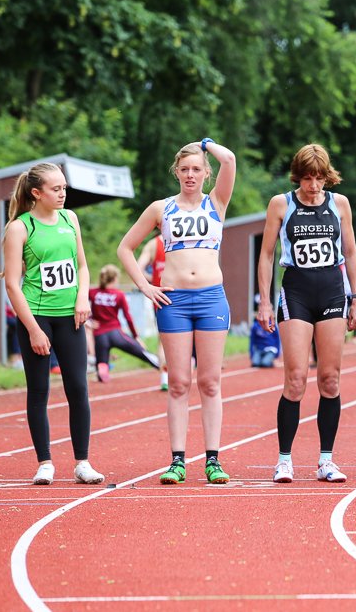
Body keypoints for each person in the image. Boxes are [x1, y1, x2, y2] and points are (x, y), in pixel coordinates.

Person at [117, 139, 236, 485]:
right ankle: (177, 461)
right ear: (176, 172)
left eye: (197, 169)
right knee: (179, 383)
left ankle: (212, 460)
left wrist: (204, 144)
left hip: (211, 299)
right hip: (174, 302)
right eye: (184, 169)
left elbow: (229, 159)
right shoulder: (161, 208)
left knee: (209, 382)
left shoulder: (217, 201)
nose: (190, 175)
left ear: (206, 173)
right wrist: (145, 286)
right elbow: (125, 248)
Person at [257, 144, 356, 484]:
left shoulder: (339, 203)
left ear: (327, 177)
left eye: (319, 178)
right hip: (296, 292)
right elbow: (267, 255)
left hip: (332, 290)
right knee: (295, 378)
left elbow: (350, 252)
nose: (313, 186)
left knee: (330, 379)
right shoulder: (281, 204)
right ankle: (284, 461)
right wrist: (264, 302)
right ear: (297, 177)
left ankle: (326, 461)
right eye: (307, 179)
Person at [0, 162, 105, 486]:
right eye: (56, 189)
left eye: (64, 188)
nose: (62, 194)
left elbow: (82, 266)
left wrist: (82, 298)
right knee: (39, 390)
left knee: (78, 388)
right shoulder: (20, 228)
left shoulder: (70, 218)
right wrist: (33, 329)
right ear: (36, 193)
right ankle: (44, 463)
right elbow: (12, 284)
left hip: (70, 316)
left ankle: (82, 463)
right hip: (37, 316)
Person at [89, 264, 160, 382]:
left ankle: (102, 369)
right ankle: (162, 366)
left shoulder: (91, 292)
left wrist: (89, 321)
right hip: (116, 334)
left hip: (100, 335)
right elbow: (128, 317)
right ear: (115, 279)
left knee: (102, 364)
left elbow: (80, 307)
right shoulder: (119, 294)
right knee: (142, 352)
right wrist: (136, 337)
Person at [137, 234, 168, 390]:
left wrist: (151, 279)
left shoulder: (153, 244)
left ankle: (165, 379)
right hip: (182, 293)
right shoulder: (185, 236)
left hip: (160, 296)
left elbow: (138, 267)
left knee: (164, 341)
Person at [250, 294, 281, 368]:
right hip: (259, 349)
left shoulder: (273, 324)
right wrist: (252, 353)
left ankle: (269, 359)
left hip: (270, 349)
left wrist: (277, 354)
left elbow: (277, 339)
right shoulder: (255, 325)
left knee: (265, 364)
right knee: (255, 364)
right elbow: (252, 340)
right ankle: (261, 358)